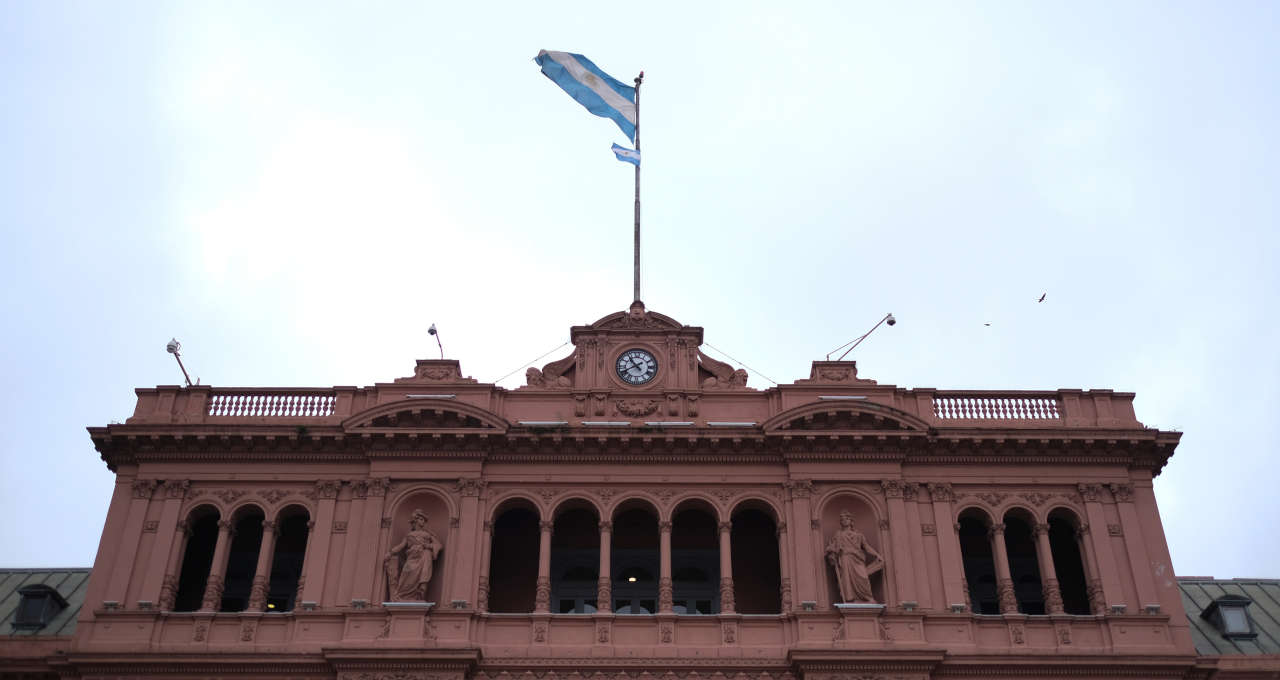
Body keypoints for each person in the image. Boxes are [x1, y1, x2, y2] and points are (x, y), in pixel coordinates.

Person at [384, 509, 443, 602]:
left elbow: (438, 545)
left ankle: (419, 596)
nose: (423, 521)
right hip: (412, 559)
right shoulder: (409, 535)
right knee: (407, 572)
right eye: (421, 519)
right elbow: (401, 546)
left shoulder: (428, 535)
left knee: (423, 576)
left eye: (423, 520)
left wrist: (427, 546)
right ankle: (402, 596)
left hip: (424, 557)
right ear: (415, 521)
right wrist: (390, 553)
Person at [825, 510, 882, 603]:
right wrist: (832, 553)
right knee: (847, 580)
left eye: (847, 518)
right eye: (842, 519)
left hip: (858, 559)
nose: (844, 520)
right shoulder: (838, 534)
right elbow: (832, 547)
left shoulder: (859, 535)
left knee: (863, 577)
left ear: (851, 521)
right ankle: (850, 599)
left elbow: (866, 546)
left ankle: (867, 597)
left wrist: (877, 555)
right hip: (845, 559)